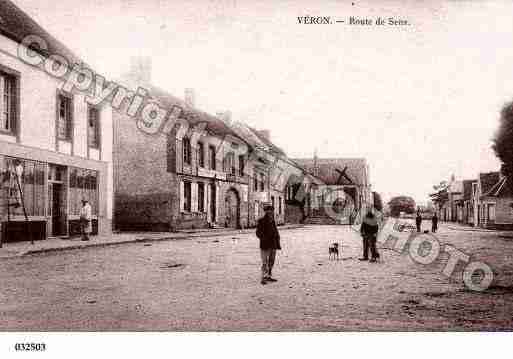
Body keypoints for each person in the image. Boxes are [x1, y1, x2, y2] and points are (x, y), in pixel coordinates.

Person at [256, 205, 281, 285]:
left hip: (273, 245)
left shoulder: (273, 221)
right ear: (265, 211)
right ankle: (263, 277)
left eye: (271, 211)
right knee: (264, 262)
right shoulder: (261, 221)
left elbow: (276, 232)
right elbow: (258, 233)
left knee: (271, 261)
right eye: (268, 211)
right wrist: (264, 239)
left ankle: (269, 276)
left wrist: (277, 241)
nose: (270, 212)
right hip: (265, 245)